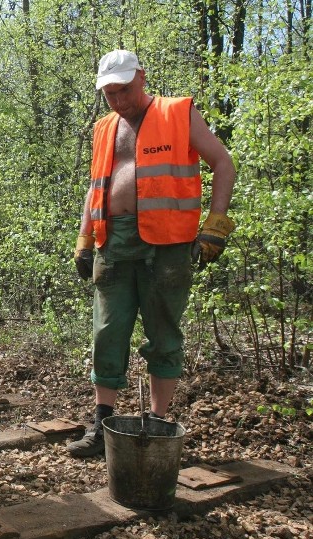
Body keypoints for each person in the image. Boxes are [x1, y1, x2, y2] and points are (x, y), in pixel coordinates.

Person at [67, 50, 236, 457]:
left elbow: (223, 163)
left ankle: (159, 425)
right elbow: (97, 187)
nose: (118, 99)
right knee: (106, 333)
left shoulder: (177, 112)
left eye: (124, 88)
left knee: (163, 334)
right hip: (114, 241)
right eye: (109, 92)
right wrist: (84, 239)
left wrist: (216, 225)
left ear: (141, 77)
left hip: (168, 244)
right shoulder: (104, 128)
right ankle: (101, 426)